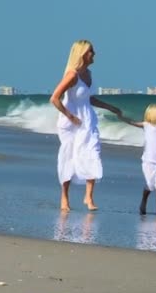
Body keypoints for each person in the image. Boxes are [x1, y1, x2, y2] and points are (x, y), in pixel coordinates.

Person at [49, 40, 122, 212]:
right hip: (71, 123)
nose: (94, 53)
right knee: (69, 157)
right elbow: (54, 98)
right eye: (90, 51)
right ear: (82, 54)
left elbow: (88, 98)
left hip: (88, 120)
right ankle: (64, 198)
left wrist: (110, 107)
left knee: (92, 153)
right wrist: (70, 116)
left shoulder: (88, 74)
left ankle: (88, 197)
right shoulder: (72, 75)